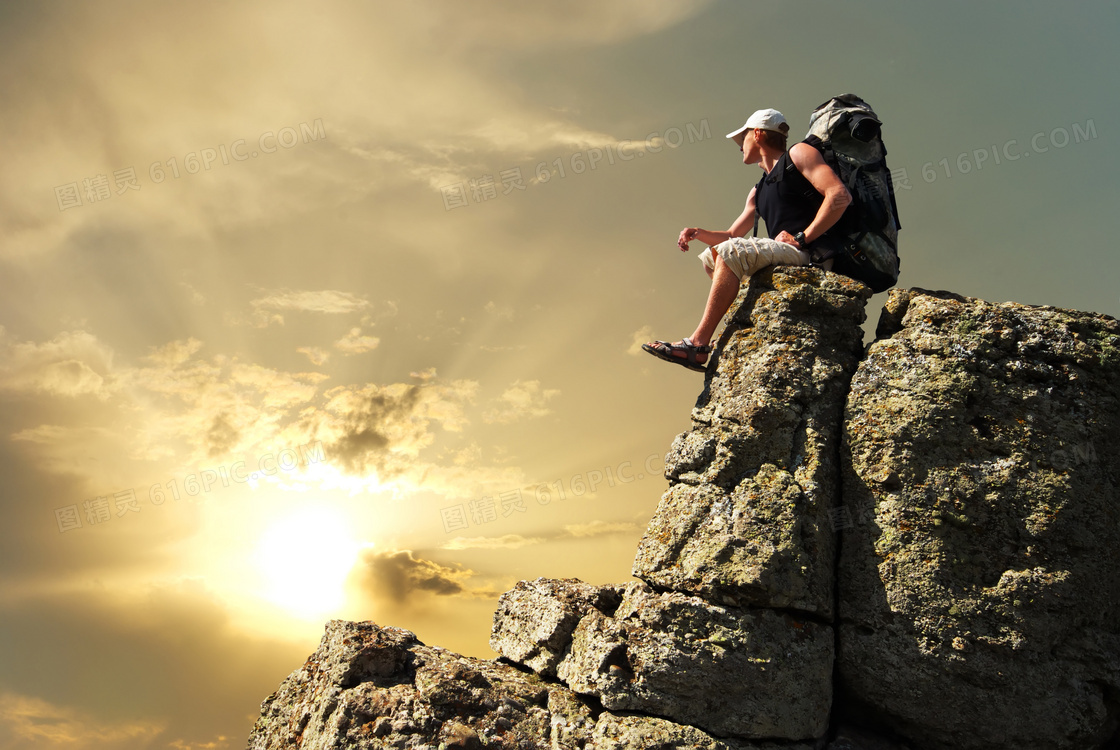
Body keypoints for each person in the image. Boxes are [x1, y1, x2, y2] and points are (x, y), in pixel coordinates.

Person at [643, 107, 852, 372]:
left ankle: (697, 344)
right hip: (790, 250)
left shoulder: (799, 154)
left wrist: (802, 237)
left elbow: (839, 196)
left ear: (758, 134)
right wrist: (698, 233)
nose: (740, 147)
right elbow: (732, 235)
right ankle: (740, 314)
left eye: (742, 140)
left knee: (729, 252)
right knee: (711, 255)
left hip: (813, 253)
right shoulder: (759, 189)